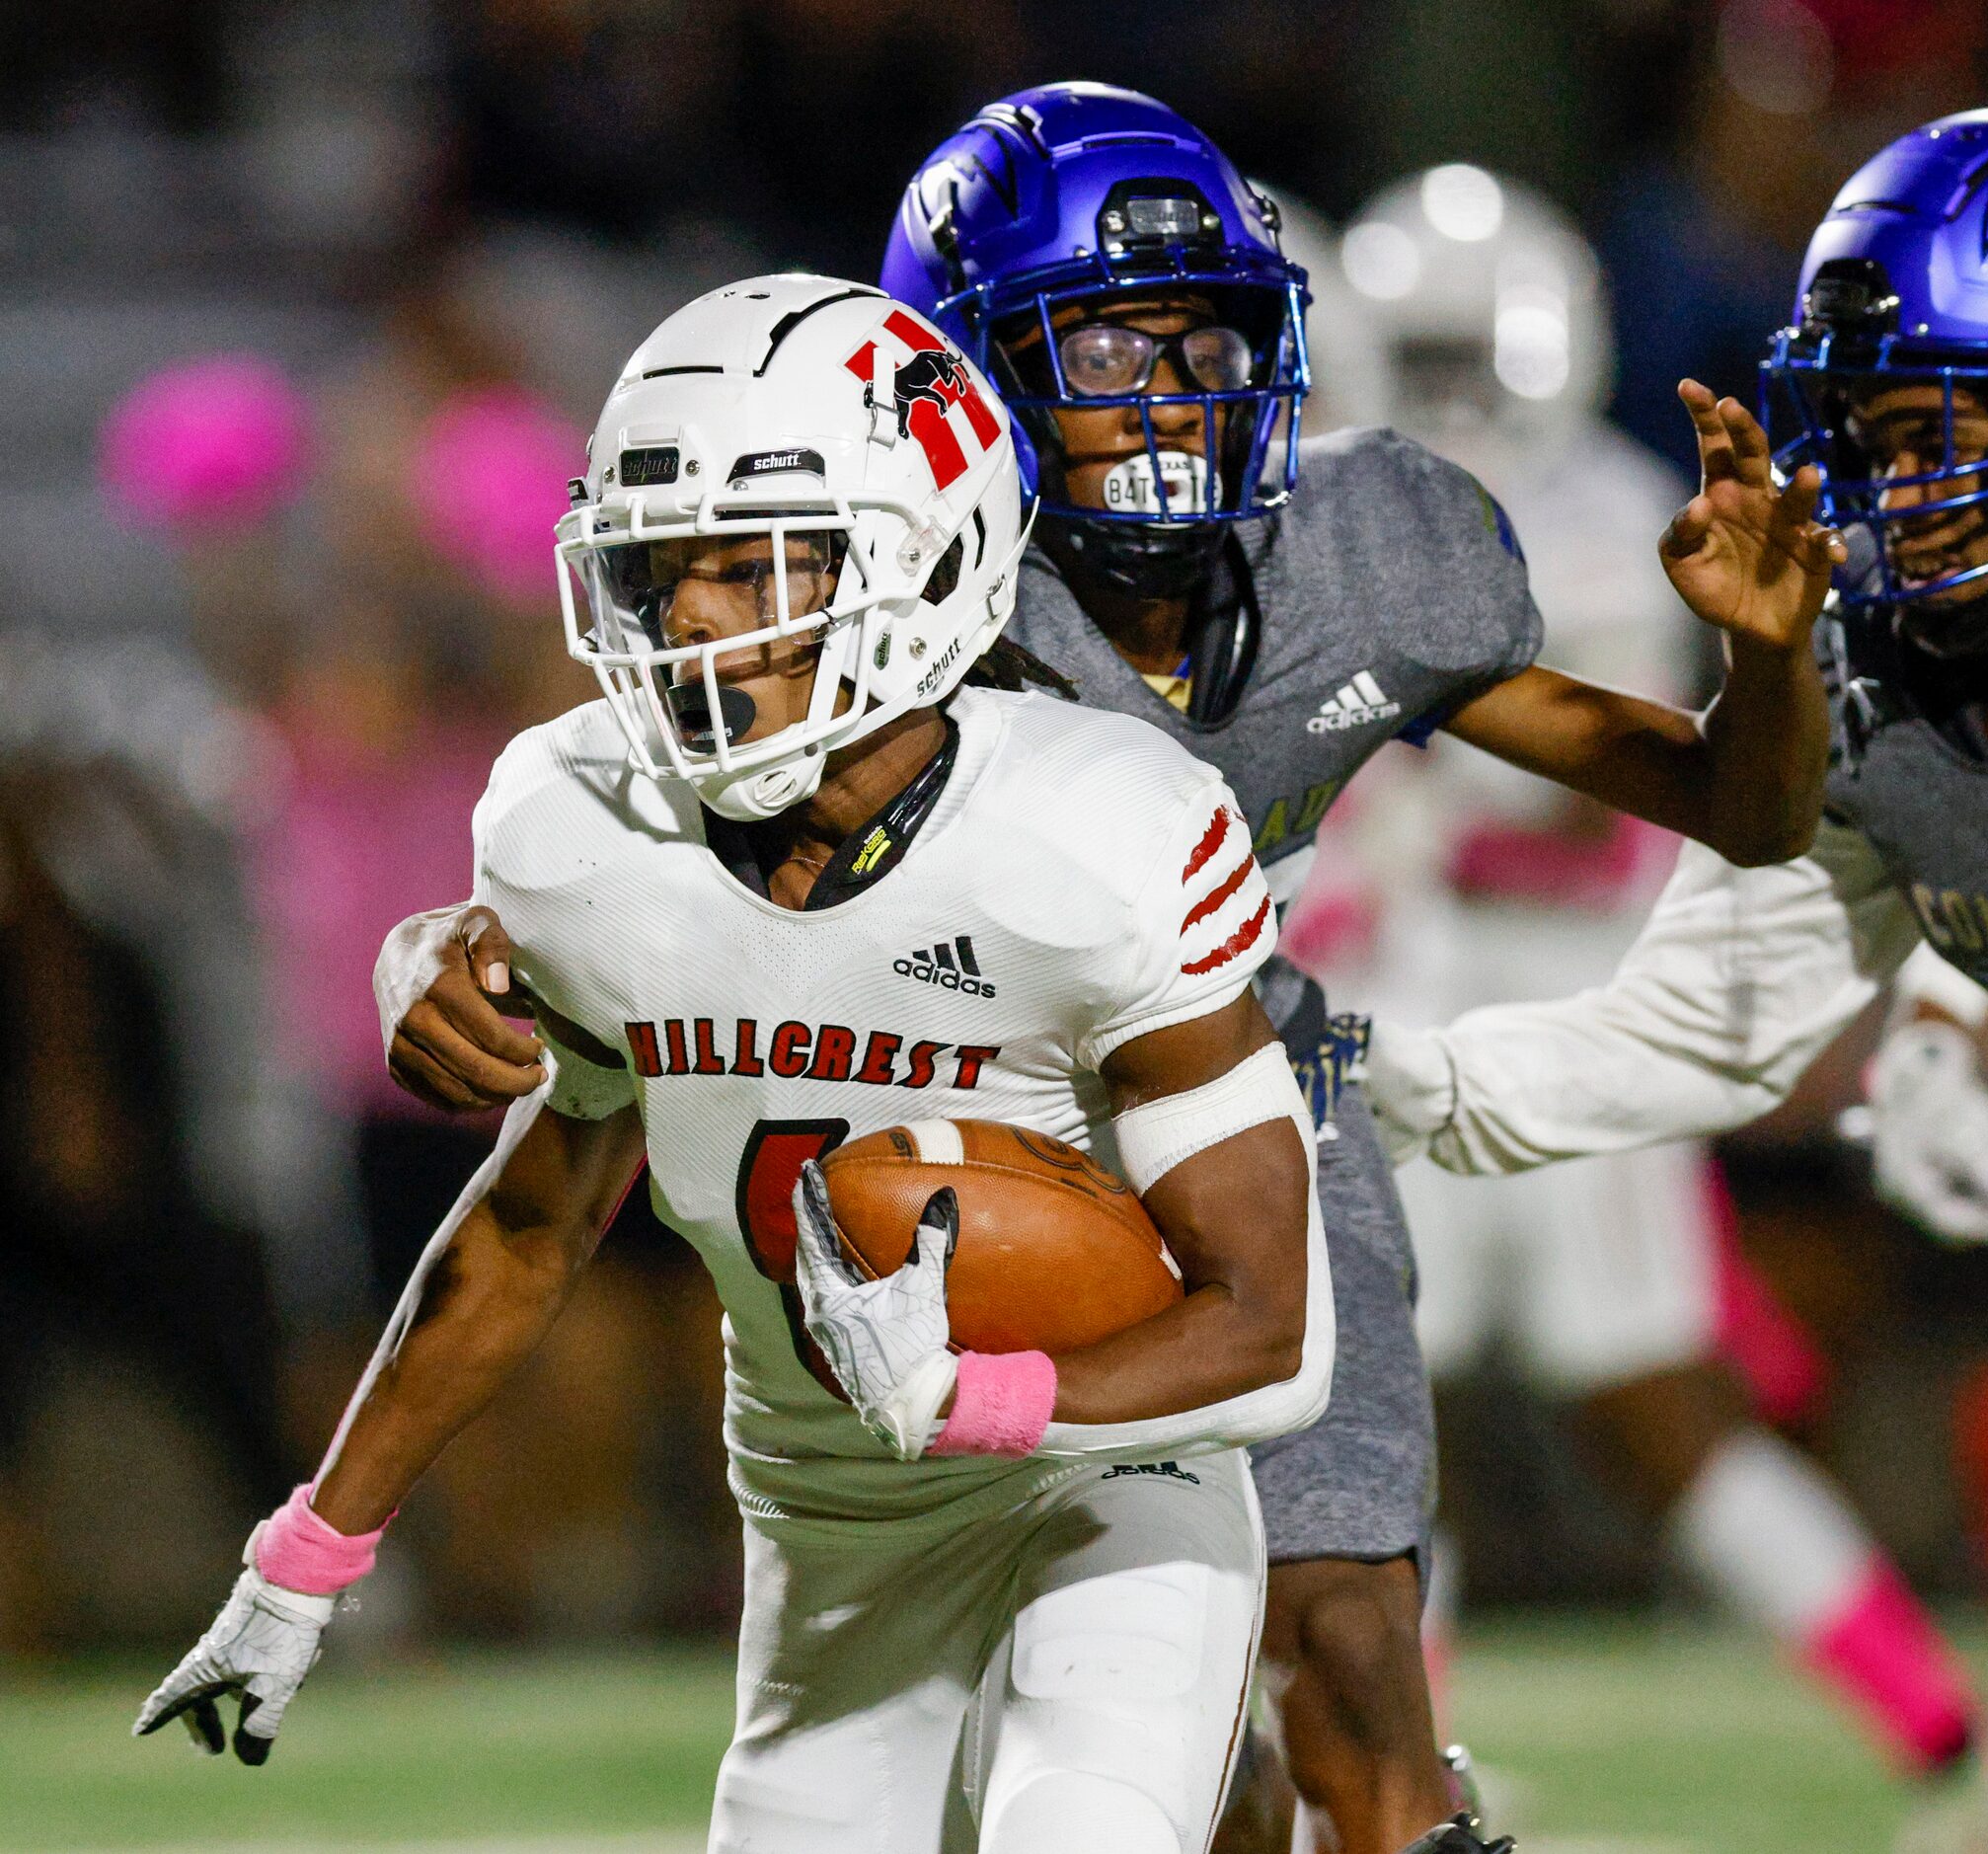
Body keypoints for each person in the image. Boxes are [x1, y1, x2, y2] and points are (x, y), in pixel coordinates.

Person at [366, 82, 1844, 1854]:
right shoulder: (898, 592)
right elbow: (638, 793)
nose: (1176, 396)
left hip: (1248, 1097)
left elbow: (1734, 812)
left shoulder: (1363, 551)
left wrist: (1770, 665)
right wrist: (435, 947)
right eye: (1112, 350)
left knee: (1357, 1662)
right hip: (987, 1125)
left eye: (1206, 342)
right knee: (1178, 1758)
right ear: (967, 381)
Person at [137, 274, 1345, 1854]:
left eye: (749, 559)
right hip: (828, 1533)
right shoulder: (584, 835)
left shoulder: (1097, 833)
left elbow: (1275, 1332)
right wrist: (304, 1558)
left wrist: (977, 1397)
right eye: (657, 570)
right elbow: (525, 1228)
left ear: (926, 553)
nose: (695, 616)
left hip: (1102, 1486)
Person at [1357, 109, 1988, 1854]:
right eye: (1867, 430)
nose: (1893, 489)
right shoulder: (1887, 681)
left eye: (1944, 429)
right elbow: (1690, 1032)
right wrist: (1321, 1072)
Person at [1323, 162, 1988, 1800]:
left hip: (1582, 1009)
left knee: (1659, 1423)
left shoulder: (1609, 512)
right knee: (1364, 1397)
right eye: (1425, 358)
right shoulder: (1352, 508)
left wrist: (1411, 769)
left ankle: (1959, 1731)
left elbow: (1592, 805)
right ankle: (1421, 1763)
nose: (1455, 395)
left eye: (1475, 354)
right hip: (1419, 1006)